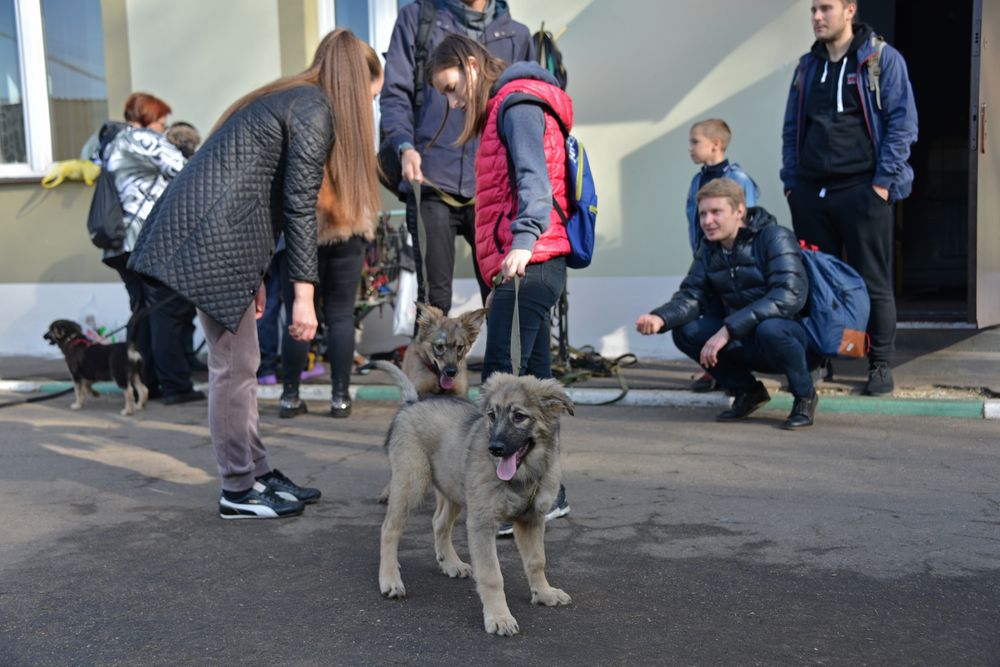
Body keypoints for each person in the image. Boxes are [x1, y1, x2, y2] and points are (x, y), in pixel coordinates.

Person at [129, 29, 383, 519]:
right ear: (356, 84)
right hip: (210, 242)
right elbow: (298, 205)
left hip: (222, 241)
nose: (370, 107)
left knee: (241, 362)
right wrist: (303, 296)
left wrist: (257, 275)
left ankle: (258, 471)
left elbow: (251, 190)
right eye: (372, 95)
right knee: (232, 367)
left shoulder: (294, 99)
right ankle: (238, 489)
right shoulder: (315, 108)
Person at [427, 33, 571, 533]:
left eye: (451, 87)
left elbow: (535, 177)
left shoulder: (517, 103)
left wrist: (523, 241)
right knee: (534, 390)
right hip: (528, 265)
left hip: (527, 263)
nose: (452, 101)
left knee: (503, 393)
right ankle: (545, 493)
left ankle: (506, 500)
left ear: (471, 65)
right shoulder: (509, 105)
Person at [780, 0, 917, 396]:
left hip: (862, 189)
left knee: (872, 279)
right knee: (815, 280)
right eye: (812, 10)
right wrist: (792, 181)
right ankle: (820, 359)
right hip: (810, 191)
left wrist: (882, 183)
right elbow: (792, 128)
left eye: (825, 8)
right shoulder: (807, 67)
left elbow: (902, 123)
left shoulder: (880, 59)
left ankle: (879, 363)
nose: (817, 17)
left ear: (849, 9)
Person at [380, 0, 533, 316]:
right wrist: (405, 146)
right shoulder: (416, 19)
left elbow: (525, 106)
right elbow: (394, 95)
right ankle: (430, 368)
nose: (451, 101)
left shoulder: (517, 35)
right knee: (435, 304)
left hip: (494, 186)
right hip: (432, 180)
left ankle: (507, 367)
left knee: (504, 297)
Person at [635, 179, 821, 429]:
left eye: (716, 212)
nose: (707, 221)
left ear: (739, 211)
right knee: (686, 332)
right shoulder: (709, 249)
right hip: (746, 339)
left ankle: (804, 396)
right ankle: (748, 393)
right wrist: (661, 318)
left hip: (790, 340)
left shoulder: (774, 237)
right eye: (702, 214)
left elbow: (789, 296)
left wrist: (728, 329)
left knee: (772, 329)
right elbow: (692, 294)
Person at [95, 92, 201, 405]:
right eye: (160, 121)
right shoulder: (144, 140)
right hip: (147, 238)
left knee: (142, 312)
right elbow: (187, 173)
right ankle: (175, 385)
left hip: (118, 244)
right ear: (146, 117)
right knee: (166, 310)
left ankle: (145, 381)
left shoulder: (112, 142)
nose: (163, 128)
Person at [277, 171, 373, 420]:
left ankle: (290, 397)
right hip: (349, 224)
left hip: (301, 228)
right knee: (341, 316)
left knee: (296, 316)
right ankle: (340, 398)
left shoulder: (301, 132)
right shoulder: (354, 135)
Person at [685, 118, 760, 393]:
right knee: (709, 314)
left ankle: (740, 373)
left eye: (695, 142)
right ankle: (714, 369)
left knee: (734, 317)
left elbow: (747, 223)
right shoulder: (698, 179)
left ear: (716, 144)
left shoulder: (737, 178)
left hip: (733, 263)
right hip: (708, 262)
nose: (690, 148)